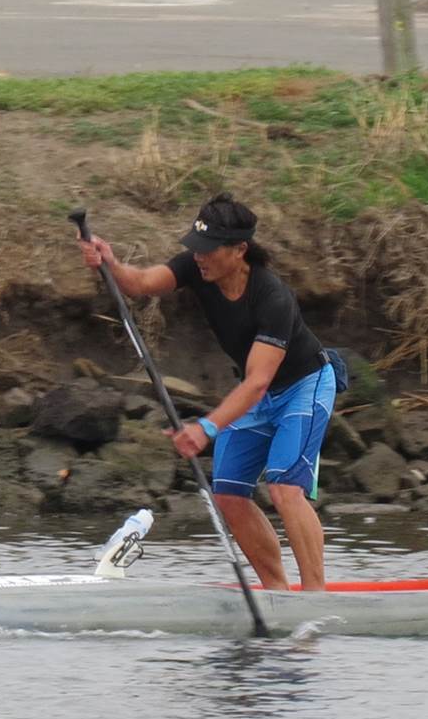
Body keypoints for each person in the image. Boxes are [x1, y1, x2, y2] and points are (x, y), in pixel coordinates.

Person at [77, 194, 338, 592]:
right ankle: (277, 592)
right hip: (258, 394)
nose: (198, 257)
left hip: (304, 386)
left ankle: (317, 598)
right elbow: (142, 284)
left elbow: (257, 382)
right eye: (195, 247)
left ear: (239, 250)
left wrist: (206, 428)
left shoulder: (272, 298)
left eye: (209, 249)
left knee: (284, 488)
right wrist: (111, 264)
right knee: (230, 495)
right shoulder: (196, 268)